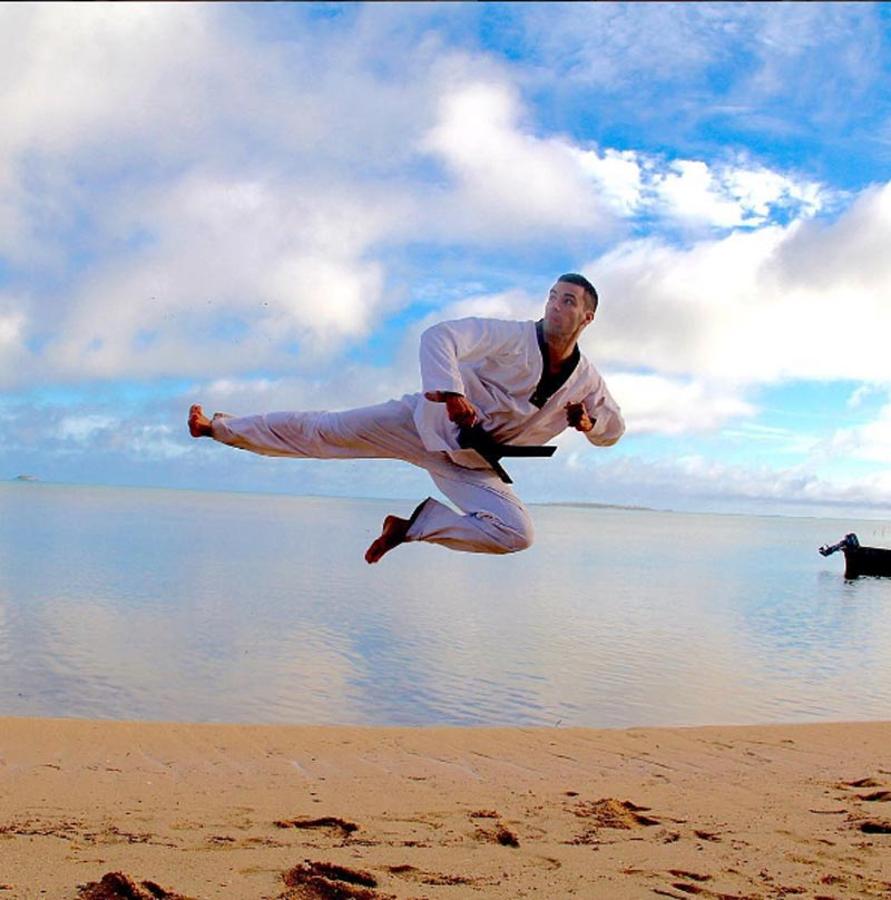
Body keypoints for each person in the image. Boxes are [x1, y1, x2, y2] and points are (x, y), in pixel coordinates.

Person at [188, 273, 625, 563]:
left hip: (467, 463)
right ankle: (219, 427)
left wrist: (590, 425)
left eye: (567, 301)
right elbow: (441, 336)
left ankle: (411, 527)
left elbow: (614, 430)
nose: (554, 305)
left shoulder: (586, 383)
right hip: (422, 422)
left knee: (517, 534)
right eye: (551, 296)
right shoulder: (511, 337)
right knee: (324, 431)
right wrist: (452, 394)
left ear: (587, 317)